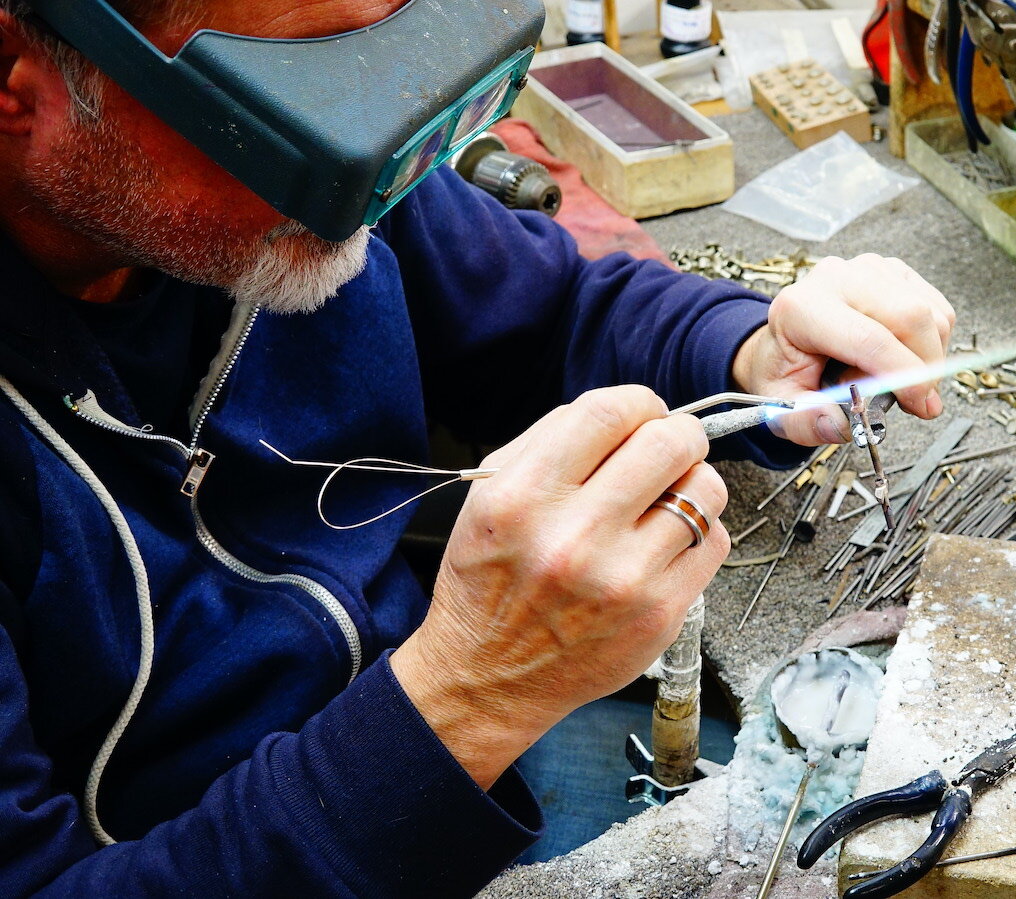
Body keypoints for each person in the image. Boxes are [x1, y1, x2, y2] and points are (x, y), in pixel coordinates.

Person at [0, 0, 955, 895]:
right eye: (301, 103)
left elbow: (549, 315)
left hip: (441, 752)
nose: (376, 174)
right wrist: (467, 693)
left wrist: (752, 354)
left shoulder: (327, 176)